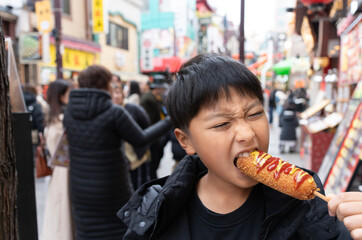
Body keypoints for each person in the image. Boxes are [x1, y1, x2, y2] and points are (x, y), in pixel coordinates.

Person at [118, 54, 362, 240]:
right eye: (222, 123)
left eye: (255, 113)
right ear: (186, 141)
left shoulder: (306, 205)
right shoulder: (155, 216)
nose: (247, 133)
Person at [63, 65, 172, 240]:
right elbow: (141, 139)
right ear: (104, 84)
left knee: (87, 231)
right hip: (110, 183)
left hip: (79, 186)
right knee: (120, 229)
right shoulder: (114, 112)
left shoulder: (69, 112)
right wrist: (170, 121)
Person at [41, 79, 73, 240]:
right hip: (66, 169)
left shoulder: (51, 120)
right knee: (64, 212)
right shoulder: (63, 120)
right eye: (69, 93)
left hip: (58, 170)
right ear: (61, 96)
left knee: (59, 211)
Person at [111, 81, 152, 190]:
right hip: (119, 162)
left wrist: (143, 147)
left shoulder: (132, 108)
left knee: (138, 190)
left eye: (118, 92)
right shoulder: (107, 111)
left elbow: (147, 123)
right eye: (113, 93)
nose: (116, 95)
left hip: (136, 159)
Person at [140, 74, 169, 179]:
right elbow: (149, 121)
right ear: (157, 88)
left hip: (156, 135)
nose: (162, 91)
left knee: (156, 160)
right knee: (153, 162)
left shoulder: (155, 98)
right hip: (152, 136)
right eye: (160, 88)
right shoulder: (149, 99)